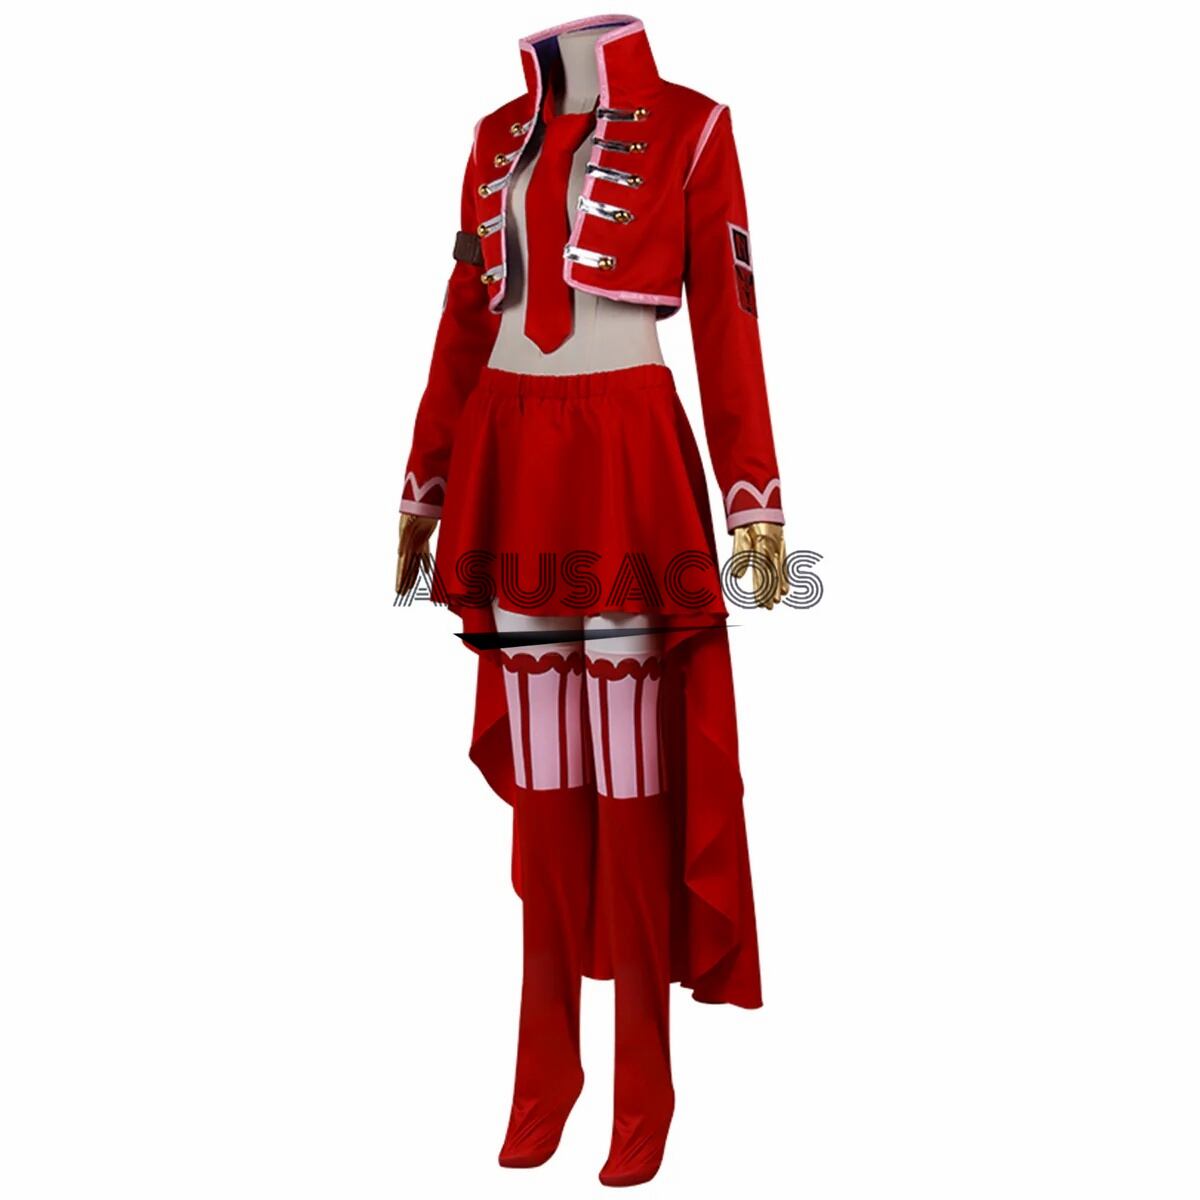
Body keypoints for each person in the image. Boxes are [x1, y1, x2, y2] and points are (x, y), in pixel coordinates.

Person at [395, 15, 788, 1187]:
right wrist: (422, 484)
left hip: (625, 453)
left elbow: (727, 319)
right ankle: (544, 1076)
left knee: (631, 783)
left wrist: (756, 500)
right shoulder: (491, 136)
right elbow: (465, 316)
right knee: (549, 788)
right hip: (511, 449)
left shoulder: (695, 126)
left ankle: (643, 1090)